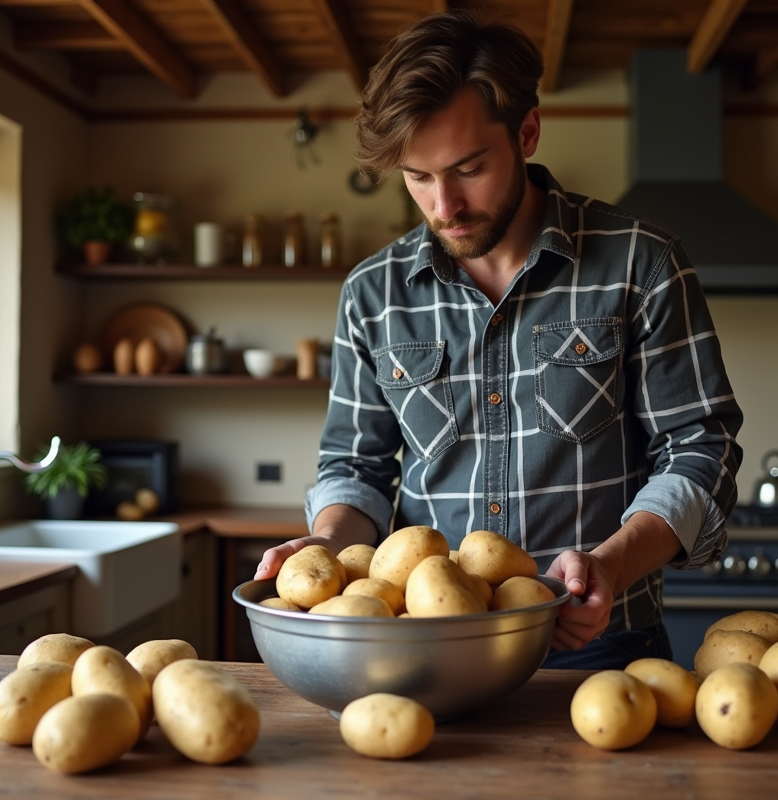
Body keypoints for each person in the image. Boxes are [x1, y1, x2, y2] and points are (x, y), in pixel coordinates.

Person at [255, 10, 743, 670]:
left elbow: (698, 450)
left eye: (468, 168)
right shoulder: (372, 294)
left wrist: (610, 565)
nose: (443, 206)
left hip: (602, 649)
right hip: (429, 654)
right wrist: (323, 550)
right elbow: (354, 468)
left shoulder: (640, 263)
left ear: (527, 132)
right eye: (418, 178)